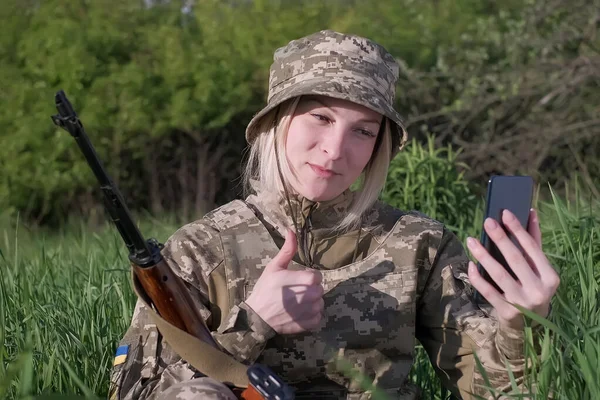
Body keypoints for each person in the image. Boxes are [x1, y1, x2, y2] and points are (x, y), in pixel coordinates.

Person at [108, 30, 560, 400]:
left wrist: (522, 321)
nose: (335, 150)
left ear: (378, 147)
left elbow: (493, 390)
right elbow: (138, 393)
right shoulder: (200, 248)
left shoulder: (420, 244)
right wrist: (253, 322)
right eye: (320, 118)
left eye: (362, 131)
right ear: (277, 121)